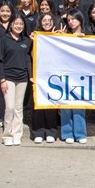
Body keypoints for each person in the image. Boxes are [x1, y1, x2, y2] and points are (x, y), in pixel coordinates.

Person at [0, 13, 34, 146]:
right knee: (10, 107)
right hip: (8, 78)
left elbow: (28, 59)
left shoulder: (26, 41)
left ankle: (17, 134)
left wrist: (30, 76)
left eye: (21, 24)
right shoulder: (3, 39)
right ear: (11, 25)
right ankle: (7, 135)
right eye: (16, 23)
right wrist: (2, 80)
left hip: (22, 78)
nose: (19, 26)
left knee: (18, 108)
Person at [59, 9, 88, 144]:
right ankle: (67, 133)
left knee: (79, 105)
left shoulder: (88, 35)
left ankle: (80, 134)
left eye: (73, 19)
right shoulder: (64, 36)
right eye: (69, 20)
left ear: (80, 19)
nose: (71, 22)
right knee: (65, 104)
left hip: (81, 75)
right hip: (66, 73)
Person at [31, 14, 60, 144]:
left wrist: (60, 38)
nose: (47, 23)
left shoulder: (58, 35)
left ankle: (51, 132)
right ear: (40, 22)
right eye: (44, 20)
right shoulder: (35, 36)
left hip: (53, 75)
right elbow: (30, 55)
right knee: (38, 104)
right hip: (38, 74)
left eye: (50, 20)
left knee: (51, 105)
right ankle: (38, 131)